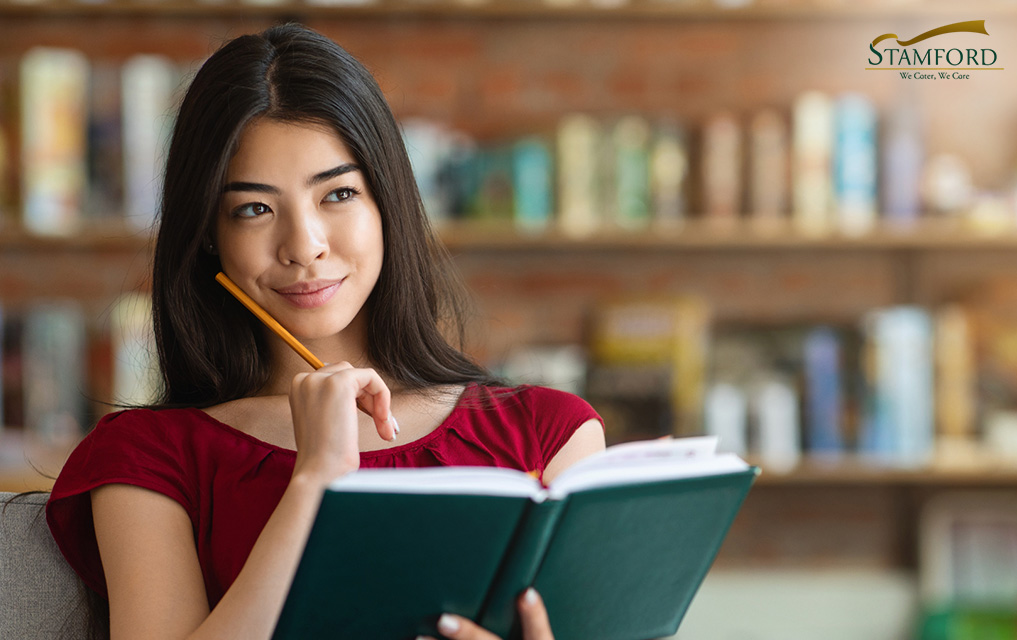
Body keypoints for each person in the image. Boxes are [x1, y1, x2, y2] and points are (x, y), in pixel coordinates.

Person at [44, 23, 605, 640]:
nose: (305, 247)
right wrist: (312, 483)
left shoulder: (549, 436)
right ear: (209, 234)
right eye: (254, 209)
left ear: (387, 204)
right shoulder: (150, 455)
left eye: (337, 193)